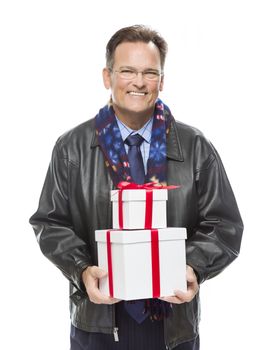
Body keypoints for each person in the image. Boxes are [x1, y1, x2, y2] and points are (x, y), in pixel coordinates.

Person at [30, 25, 243, 350]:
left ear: (162, 80)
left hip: (172, 321)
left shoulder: (195, 146)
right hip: (97, 319)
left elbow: (225, 225)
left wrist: (192, 268)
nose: (139, 82)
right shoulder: (71, 148)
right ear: (107, 76)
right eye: (127, 71)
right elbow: (50, 223)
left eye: (150, 72)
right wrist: (83, 271)